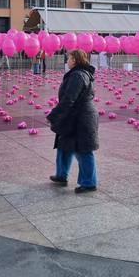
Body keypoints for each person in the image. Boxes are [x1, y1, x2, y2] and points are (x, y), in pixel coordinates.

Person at [46, 49, 99, 193]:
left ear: (74, 60)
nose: (66, 61)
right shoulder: (78, 74)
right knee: (64, 145)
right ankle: (61, 175)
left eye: (68, 58)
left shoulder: (78, 75)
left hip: (81, 117)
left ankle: (89, 183)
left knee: (83, 150)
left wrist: (53, 115)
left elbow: (69, 99)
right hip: (74, 115)